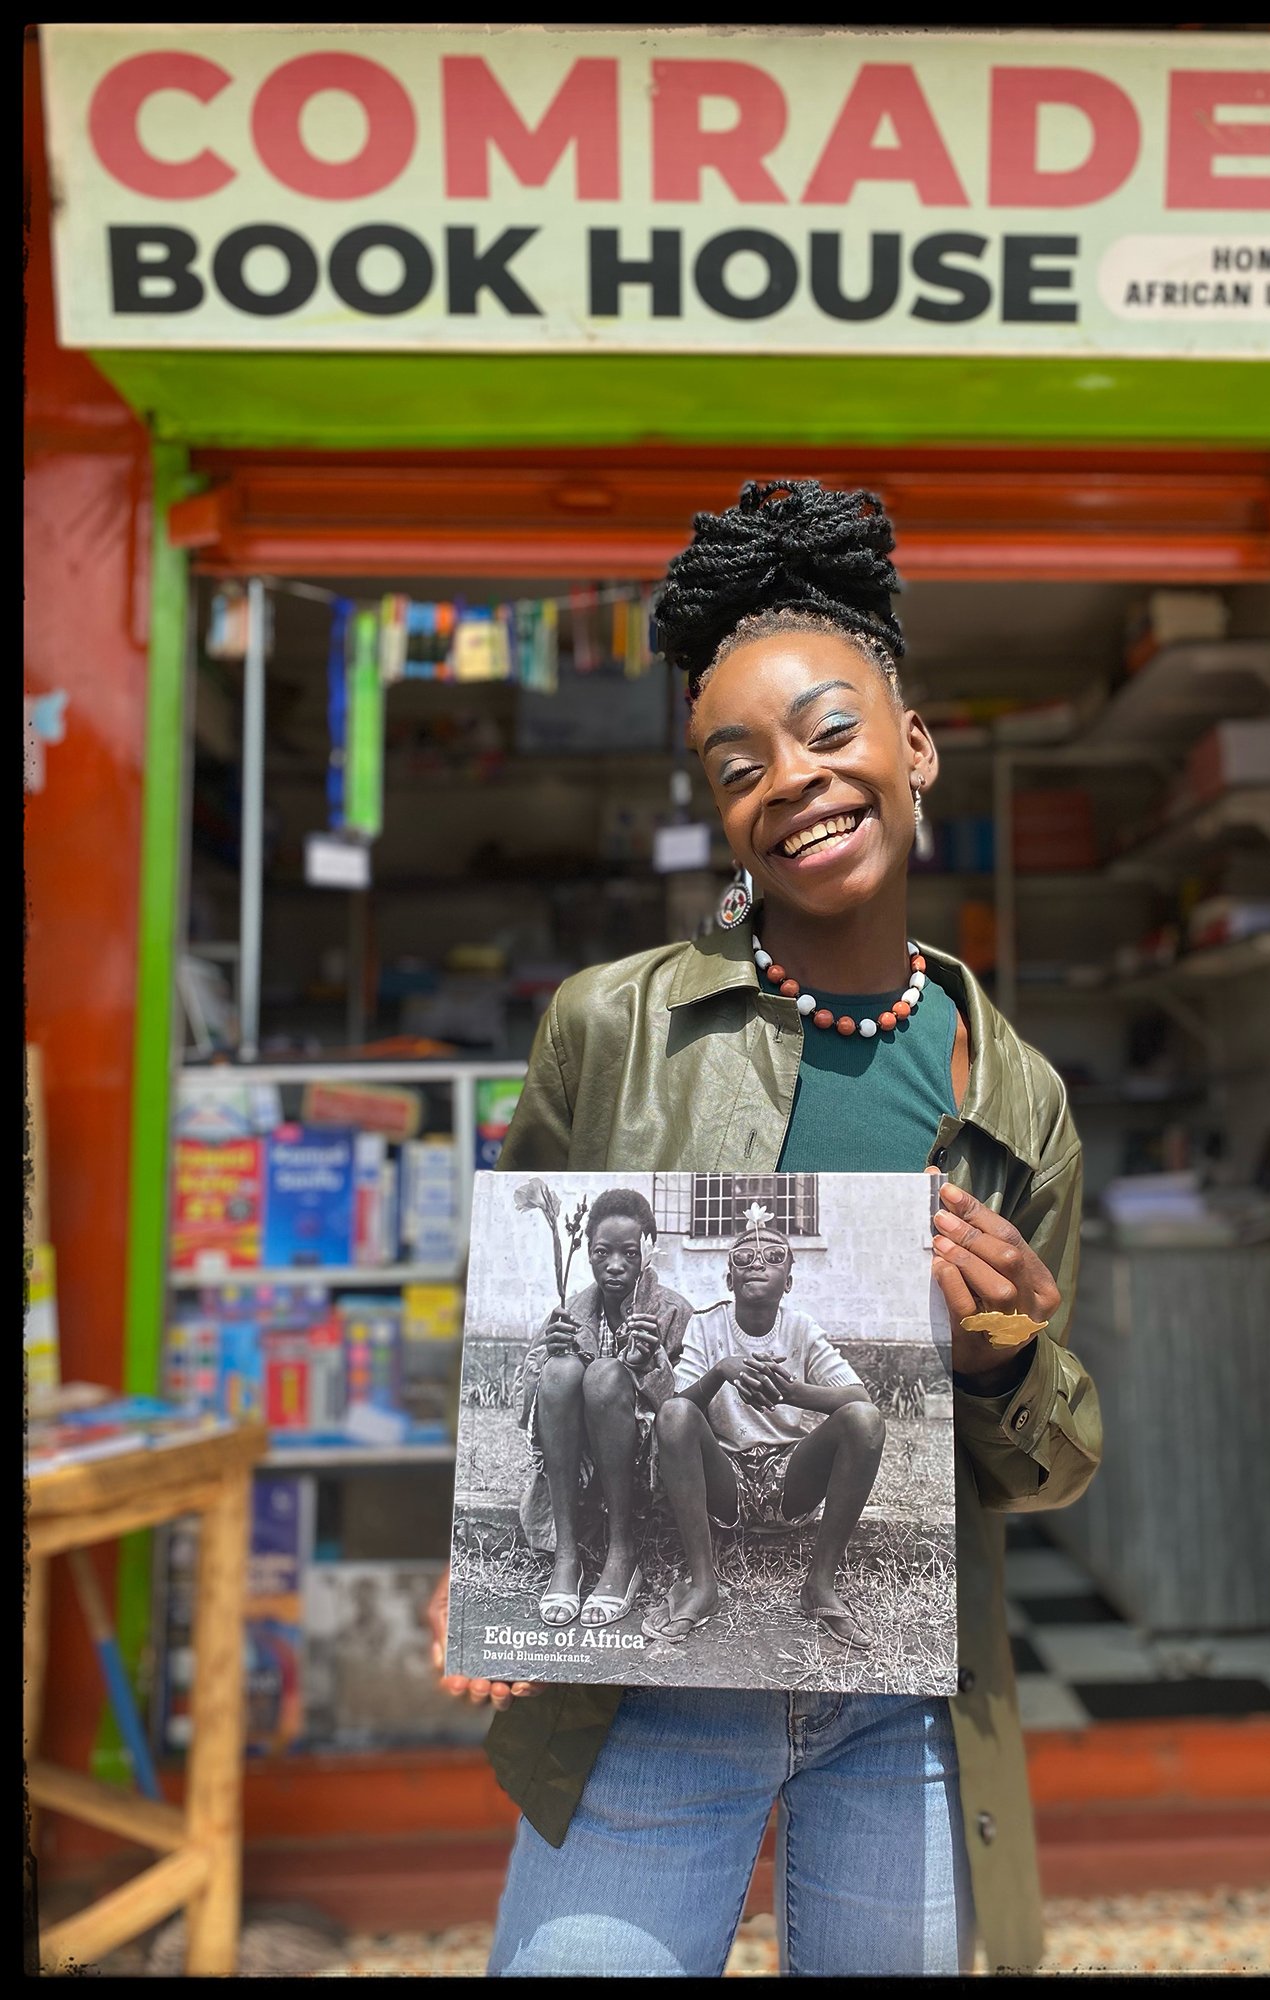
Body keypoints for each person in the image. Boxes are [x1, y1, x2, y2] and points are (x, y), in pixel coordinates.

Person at [428, 479, 1102, 1977]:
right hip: (653, 1692)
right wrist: (491, 1545)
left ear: (914, 748)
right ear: (721, 816)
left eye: (829, 730)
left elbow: (1054, 1460)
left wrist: (1004, 1359)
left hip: (895, 1701)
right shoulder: (608, 1026)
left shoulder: (1022, 1098)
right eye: (738, 765)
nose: (790, 779)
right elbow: (512, 1332)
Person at [646, 1212, 886, 1650]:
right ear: (729, 1278)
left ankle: (819, 1585)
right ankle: (703, 1586)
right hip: (727, 1480)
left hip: (790, 1478)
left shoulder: (800, 1328)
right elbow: (677, 1410)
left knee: (864, 1420)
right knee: (675, 1414)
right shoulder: (706, 1325)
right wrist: (722, 1371)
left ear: (789, 1281)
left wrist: (791, 1392)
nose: (758, 1262)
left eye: (774, 1255)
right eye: (744, 1256)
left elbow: (859, 1397)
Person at [512, 1187, 695, 1629]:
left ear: (647, 1250)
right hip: (579, 1462)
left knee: (606, 1375)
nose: (615, 1265)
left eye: (629, 1253)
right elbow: (524, 1407)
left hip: (641, 1468)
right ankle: (567, 1555)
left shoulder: (672, 1312)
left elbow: (687, 1410)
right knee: (558, 1371)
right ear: (588, 1253)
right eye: (602, 1252)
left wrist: (650, 1365)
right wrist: (545, 1362)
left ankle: (621, 1551)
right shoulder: (570, 1310)